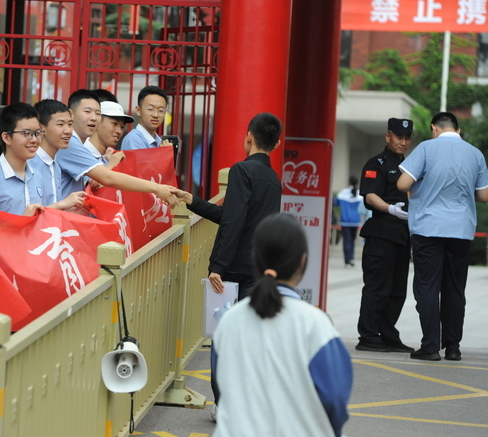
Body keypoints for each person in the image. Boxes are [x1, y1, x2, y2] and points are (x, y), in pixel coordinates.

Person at [172, 112, 283, 415]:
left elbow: (233, 222)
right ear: (277, 142)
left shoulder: (241, 170)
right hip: (258, 270)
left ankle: (224, 405)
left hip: (231, 271)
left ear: (249, 136)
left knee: (223, 339)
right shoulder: (274, 180)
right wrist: (192, 200)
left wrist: (217, 265)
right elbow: (234, 216)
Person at [212, 213, 352, 437]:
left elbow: (222, 387)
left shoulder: (229, 320)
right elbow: (334, 398)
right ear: (302, 261)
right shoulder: (315, 323)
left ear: (255, 260)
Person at [398, 112, 488, 361]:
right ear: (457, 130)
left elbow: (402, 184)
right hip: (460, 230)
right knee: (455, 288)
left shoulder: (426, 148)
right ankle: (453, 347)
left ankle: (429, 346)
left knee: (427, 287)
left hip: (428, 228)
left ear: (434, 128)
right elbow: (483, 196)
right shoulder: (475, 154)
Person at [56, 89, 177, 207]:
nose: (93, 118)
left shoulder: (106, 155)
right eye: (114, 124)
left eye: (97, 113)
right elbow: (105, 179)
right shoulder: (70, 143)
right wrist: (157, 188)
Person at [356, 118, 415, 353]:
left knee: (397, 290)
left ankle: (389, 335)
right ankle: (368, 336)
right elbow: (369, 195)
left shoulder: (409, 166)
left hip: (402, 237)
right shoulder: (376, 164)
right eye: (398, 137)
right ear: (387, 136)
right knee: (377, 288)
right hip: (382, 235)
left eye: (407, 138)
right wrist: (390, 208)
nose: (403, 142)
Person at [0, 102, 84, 215]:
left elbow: (41, 219)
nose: (34, 140)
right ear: (7, 137)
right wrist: (23, 220)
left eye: (37, 133)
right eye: (26, 133)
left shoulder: (37, 177)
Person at [120, 85, 172, 150]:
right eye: (150, 109)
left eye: (161, 110)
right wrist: (164, 153)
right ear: (138, 110)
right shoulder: (134, 139)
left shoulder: (159, 141)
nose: (155, 115)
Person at [85, 101, 133, 167]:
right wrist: (111, 165)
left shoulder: (108, 158)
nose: (119, 131)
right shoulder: (81, 153)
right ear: (97, 122)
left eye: (122, 127)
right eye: (114, 124)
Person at [335, 175, 362, 268]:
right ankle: (352, 258)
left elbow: (336, 203)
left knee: (346, 241)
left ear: (349, 182)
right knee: (352, 241)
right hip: (355, 221)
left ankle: (347, 260)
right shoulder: (359, 194)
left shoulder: (342, 193)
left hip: (345, 221)